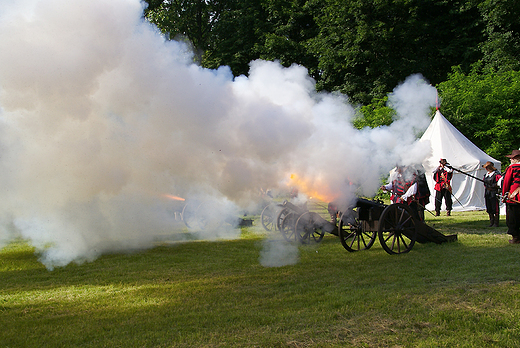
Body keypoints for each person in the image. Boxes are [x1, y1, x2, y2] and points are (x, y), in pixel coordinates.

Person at [502, 149, 520, 244]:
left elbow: (506, 183)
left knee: (513, 219)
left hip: (514, 198)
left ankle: (516, 238)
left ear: (516, 159)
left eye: (512, 158)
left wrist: (504, 194)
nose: (511, 160)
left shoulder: (512, 168)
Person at [482, 161, 502, 227]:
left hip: (494, 192)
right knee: (489, 207)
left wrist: (495, 186)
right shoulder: (486, 175)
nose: (487, 169)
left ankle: (496, 223)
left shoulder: (496, 175)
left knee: (495, 207)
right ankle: (491, 221)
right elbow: (484, 184)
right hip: (487, 192)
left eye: (488, 167)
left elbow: (500, 183)